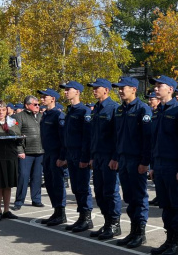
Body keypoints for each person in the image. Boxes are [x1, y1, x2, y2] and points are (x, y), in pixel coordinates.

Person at [149, 75, 178, 255]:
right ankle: (169, 239)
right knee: (165, 204)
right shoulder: (158, 111)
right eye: (155, 86)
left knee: (176, 204)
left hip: (174, 166)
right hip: (160, 165)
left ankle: (176, 242)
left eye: (160, 86)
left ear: (171, 89)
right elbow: (154, 141)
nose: (156, 88)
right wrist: (152, 165)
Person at [111, 76, 152, 249]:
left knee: (139, 197)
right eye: (119, 88)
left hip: (136, 160)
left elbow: (147, 138)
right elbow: (117, 136)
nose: (120, 90)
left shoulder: (143, 109)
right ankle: (133, 230)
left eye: (123, 88)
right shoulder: (120, 110)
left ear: (134, 89)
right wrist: (115, 157)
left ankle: (140, 233)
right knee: (129, 197)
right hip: (123, 159)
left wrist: (145, 161)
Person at [87, 78, 122, 240]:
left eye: (97, 88)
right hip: (98, 156)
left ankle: (115, 224)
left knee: (110, 191)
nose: (94, 90)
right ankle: (107, 222)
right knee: (99, 192)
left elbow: (117, 136)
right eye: (93, 88)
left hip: (109, 156)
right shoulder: (96, 108)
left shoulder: (114, 108)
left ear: (106, 90)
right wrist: (92, 156)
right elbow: (93, 136)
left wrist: (115, 157)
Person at [58, 81, 94, 233]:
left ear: (77, 92)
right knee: (76, 188)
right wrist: (65, 156)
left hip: (80, 154)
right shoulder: (70, 110)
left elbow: (87, 137)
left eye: (68, 90)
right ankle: (81, 217)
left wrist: (85, 158)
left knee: (83, 187)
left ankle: (87, 218)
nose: (65, 92)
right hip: (71, 154)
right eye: (65, 90)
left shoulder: (84, 111)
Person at [37, 88, 67, 226]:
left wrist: (62, 157)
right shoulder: (46, 114)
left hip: (56, 154)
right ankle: (56, 210)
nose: (42, 99)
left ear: (53, 99)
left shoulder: (58, 115)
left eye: (45, 97)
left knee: (57, 184)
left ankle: (61, 213)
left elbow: (63, 138)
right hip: (47, 153)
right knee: (49, 183)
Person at [12, 96, 44, 211]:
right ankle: (19, 201)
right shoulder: (19, 116)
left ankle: (36, 199)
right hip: (26, 153)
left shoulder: (41, 116)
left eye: (38, 104)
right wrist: (20, 150)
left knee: (37, 177)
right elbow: (16, 135)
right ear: (27, 105)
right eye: (35, 104)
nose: (38, 106)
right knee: (23, 177)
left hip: (40, 151)